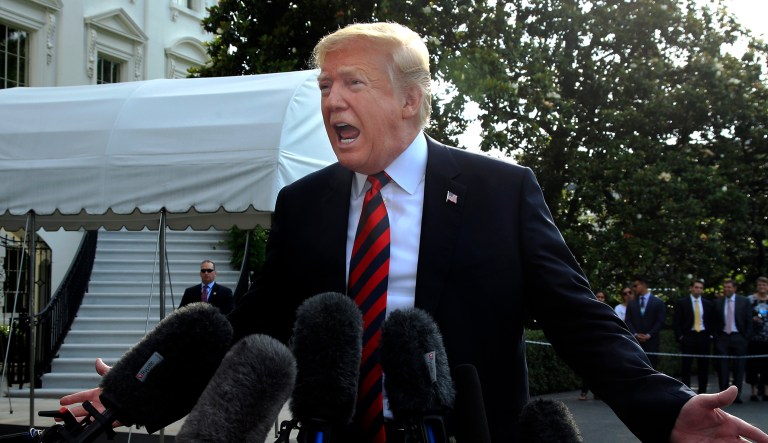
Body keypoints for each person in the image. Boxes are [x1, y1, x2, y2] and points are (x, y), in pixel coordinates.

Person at [60, 22, 768, 443]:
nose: (332, 99)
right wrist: (136, 392)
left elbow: (581, 321)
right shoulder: (303, 202)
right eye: (325, 85)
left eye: (353, 84)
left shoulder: (501, 191)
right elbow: (255, 333)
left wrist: (668, 408)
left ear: (411, 101)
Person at [673, 279, 715, 394]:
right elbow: (676, 321)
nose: (698, 290)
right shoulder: (682, 302)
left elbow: (712, 321)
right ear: (691, 288)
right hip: (688, 336)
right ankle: (686, 393)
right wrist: (681, 337)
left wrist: (711, 336)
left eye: (701, 288)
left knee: (704, 367)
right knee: (686, 366)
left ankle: (703, 393)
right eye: (696, 287)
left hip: (703, 336)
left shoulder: (708, 304)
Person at [715, 278, 753, 403]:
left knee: (739, 367)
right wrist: (717, 337)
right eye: (725, 287)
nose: (727, 289)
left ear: (734, 288)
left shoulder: (744, 301)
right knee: (722, 367)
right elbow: (713, 321)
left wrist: (745, 337)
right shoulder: (718, 302)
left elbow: (749, 320)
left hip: (739, 337)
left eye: (729, 287)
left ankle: (736, 396)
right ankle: (723, 395)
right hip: (723, 337)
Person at [625, 276, 666, 369]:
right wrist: (635, 334)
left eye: (636, 285)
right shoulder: (631, 303)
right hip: (636, 343)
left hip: (652, 343)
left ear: (643, 285)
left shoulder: (658, 302)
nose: (634, 288)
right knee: (635, 367)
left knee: (652, 368)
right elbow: (628, 320)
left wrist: (649, 335)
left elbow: (660, 321)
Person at [580, 291, 605, 400]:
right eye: (598, 296)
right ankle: (584, 392)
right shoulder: (588, 309)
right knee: (588, 369)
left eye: (602, 297)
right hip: (590, 343)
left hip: (602, 345)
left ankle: (597, 393)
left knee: (600, 370)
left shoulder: (606, 311)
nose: (600, 298)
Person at [747, 276, 768, 401]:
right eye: (760, 285)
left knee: (767, 366)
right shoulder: (749, 300)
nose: (762, 287)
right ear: (757, 286)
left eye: (764, 285)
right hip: (753, 338)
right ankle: (753, 392)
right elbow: (744, 316)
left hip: (767, 338)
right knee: (752, 366)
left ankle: (766, 392)